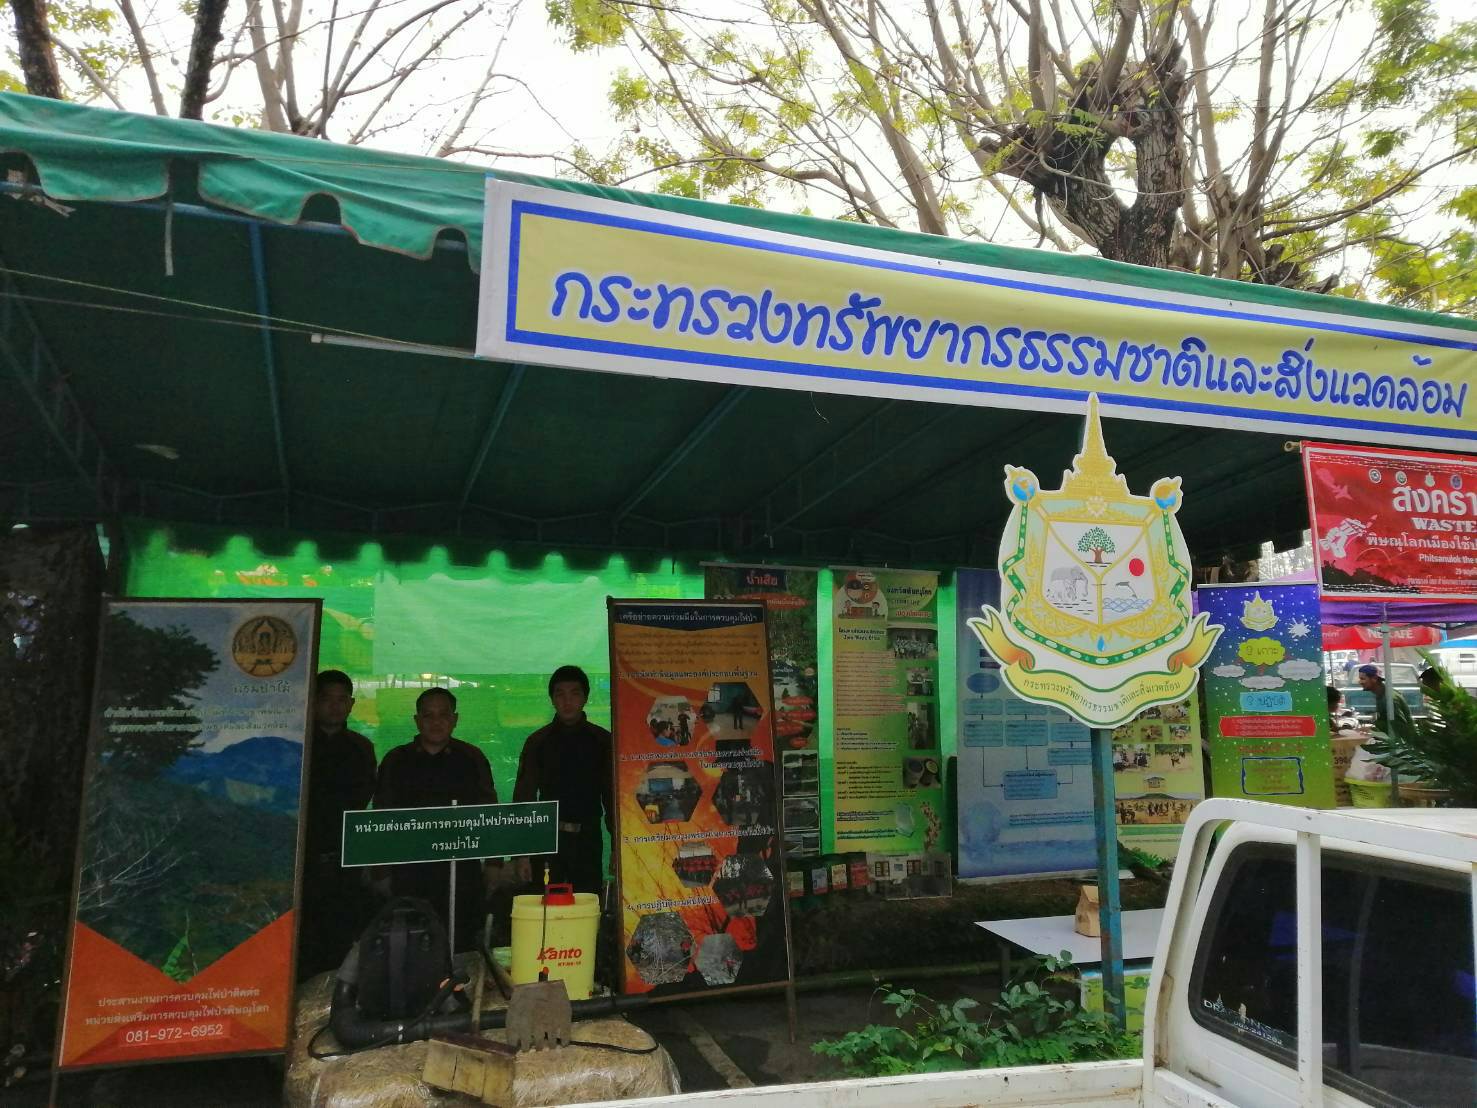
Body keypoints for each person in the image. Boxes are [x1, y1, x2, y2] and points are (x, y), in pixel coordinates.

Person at [373, 687, 496, 950]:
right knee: (411, 945)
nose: (436, 722)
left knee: (462, 944)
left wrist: (493, 865)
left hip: (461, 872)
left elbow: (490, 814)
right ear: (417, 720)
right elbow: (380, 818)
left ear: (455, 719)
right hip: (408, 874)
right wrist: (381, 871)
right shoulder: (396, 760)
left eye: (443, 715)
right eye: (428, 715)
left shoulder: (472, 758)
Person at [298, 670, 378, 979]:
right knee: (303, 938)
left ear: (351, 704)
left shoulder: (361, 747)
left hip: (344, 860)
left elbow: (363, 798)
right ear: (313, 701)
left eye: (342, 699)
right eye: (327, 699)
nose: (335, 706)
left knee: (341, 935)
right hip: (301, 860)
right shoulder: (298, 744)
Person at [512, 665, 613, 895]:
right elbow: (523, 800)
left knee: (588, 902)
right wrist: (521, 854)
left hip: (588, 838)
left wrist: (618, 847)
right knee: (547, 906)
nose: (567, 701)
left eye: (574, 694)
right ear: (552, 699)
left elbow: (612, 798)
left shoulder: (602, 741)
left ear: (585, 698)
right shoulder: (537, 742)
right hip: (547, 838)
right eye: (560, 694)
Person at [1357, 664, 1415, 742]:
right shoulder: (1381, 694)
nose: (1360, 682)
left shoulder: (1390, 699)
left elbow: (1400, 728)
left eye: (1363, 679)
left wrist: (1372, 730)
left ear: (1374, 679)